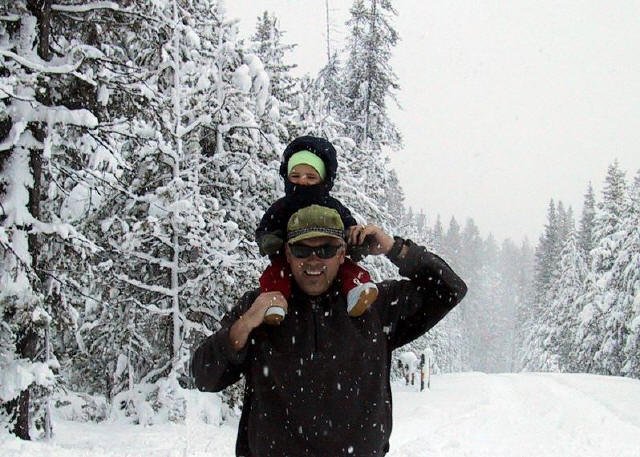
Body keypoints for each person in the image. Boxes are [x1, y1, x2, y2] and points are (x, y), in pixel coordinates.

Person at [191, 204, 467, 457]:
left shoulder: (375, 306)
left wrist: (395, 248)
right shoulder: (261, 307)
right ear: (288, 253)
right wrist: (245, 323)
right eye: (302, 250)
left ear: (342, 253)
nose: (314, 260)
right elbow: (204, 376)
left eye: (326, 250)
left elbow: (450, 289)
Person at [255, 135, 378, 324]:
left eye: (311, 176)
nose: (302, 181)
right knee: (275, 274)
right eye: (295, 176)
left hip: (329, 255)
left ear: (323, 179)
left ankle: (356, 290)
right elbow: (265, 227)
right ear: (287, 177)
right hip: (288, 257)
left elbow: (348, 226)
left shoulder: (332, 205)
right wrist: (269, 240)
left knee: (347, 269)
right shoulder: (282, 207)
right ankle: (274, 301)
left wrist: (355, 239)